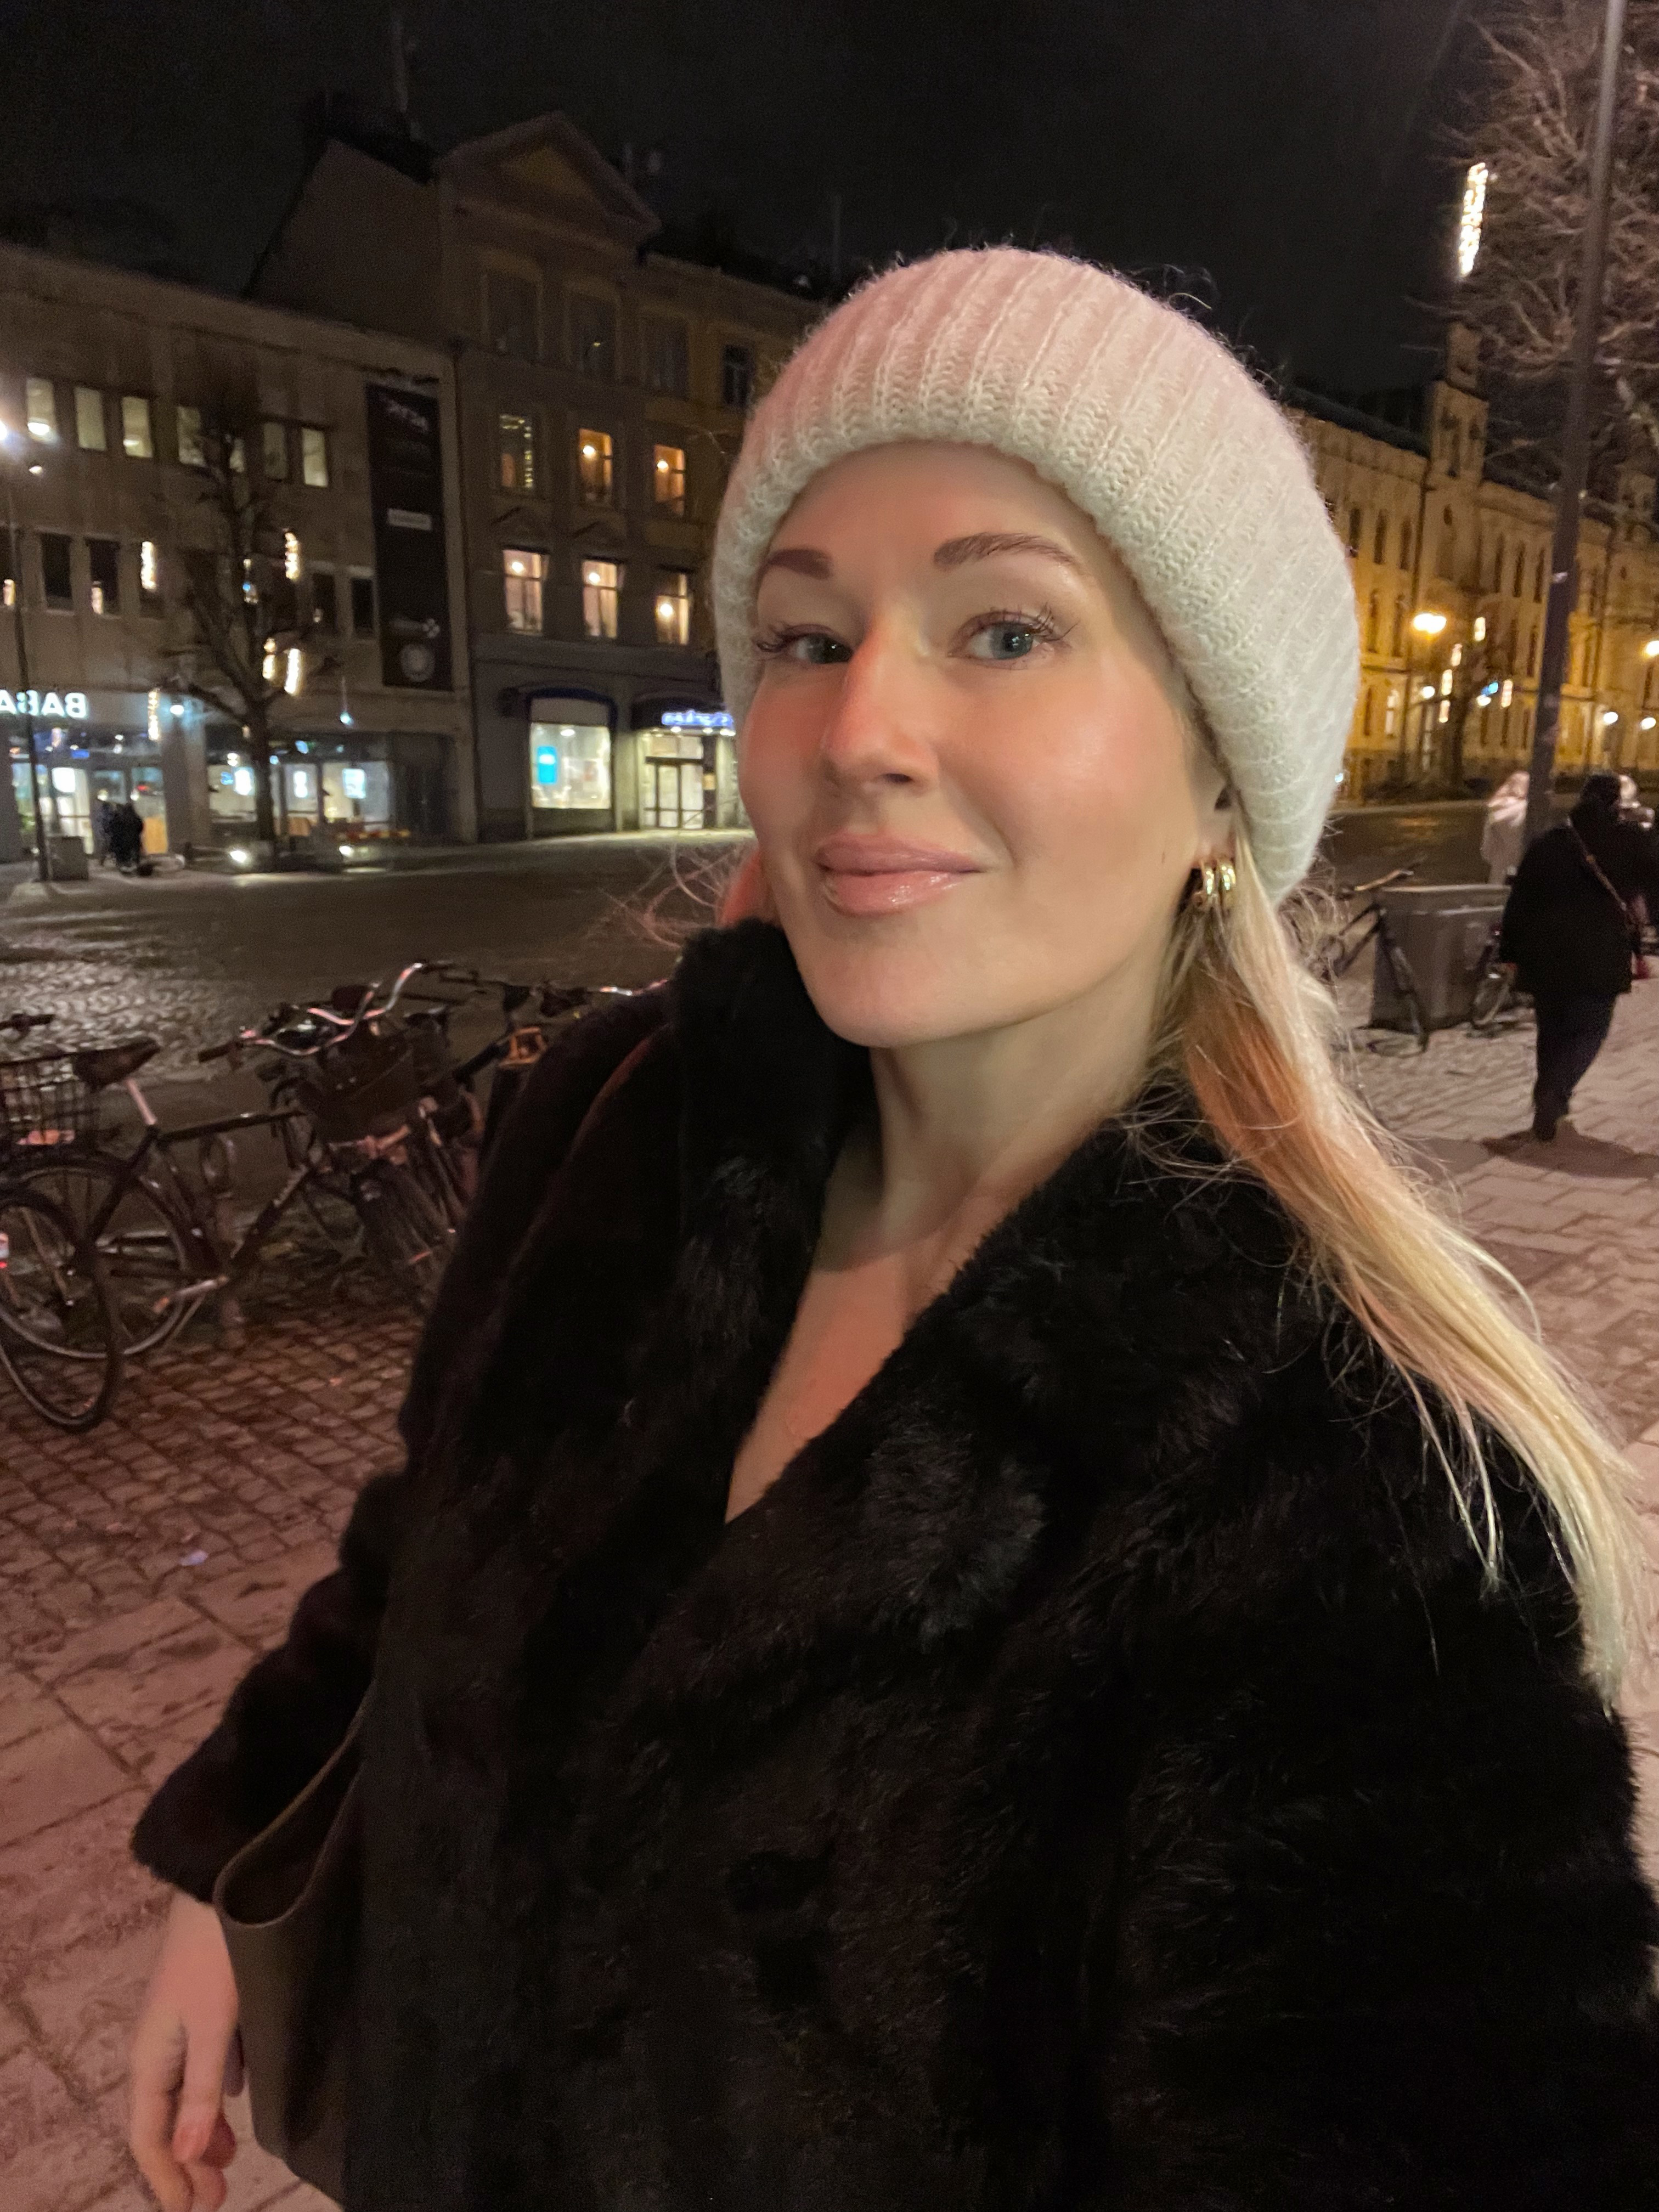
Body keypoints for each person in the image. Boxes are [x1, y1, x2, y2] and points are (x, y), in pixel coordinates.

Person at [126, 250, 1659, 2212]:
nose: (858, 724)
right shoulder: (622, 1127)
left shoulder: (1360, 1500)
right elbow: (432, 1534)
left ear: (1220, 769)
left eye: (1004, 628)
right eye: (803, 634)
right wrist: (238, 1849)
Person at [1500, 769, 1659, 1139]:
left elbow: (1521, 899)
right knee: (1590, 1029)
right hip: (1599, 953)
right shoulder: (1629, 839)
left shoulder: (1550, 841)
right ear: (1616, 803)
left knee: (1551, 1031)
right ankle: (1555, 1094)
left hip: (1545, 953)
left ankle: (1550, 1097)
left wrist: (1510, 951)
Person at [1480, 765, 1528, 882]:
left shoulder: (1494, 810)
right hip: (1524, 869)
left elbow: (1487, 850)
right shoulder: (1528, 811)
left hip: (1501, 871)